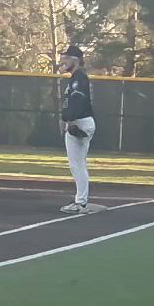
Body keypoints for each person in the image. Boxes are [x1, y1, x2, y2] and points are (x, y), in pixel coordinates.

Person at [58, 45, 96, 214]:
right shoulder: (76, 77)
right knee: (79, 164)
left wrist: (68, 120)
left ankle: (80, 202)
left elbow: (78, 102)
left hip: (80, 122)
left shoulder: (79, 78)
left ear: (75, 59)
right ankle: (81, 200)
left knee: (77, 165)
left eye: (66, 58)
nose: (63, 61)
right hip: (81, 121)